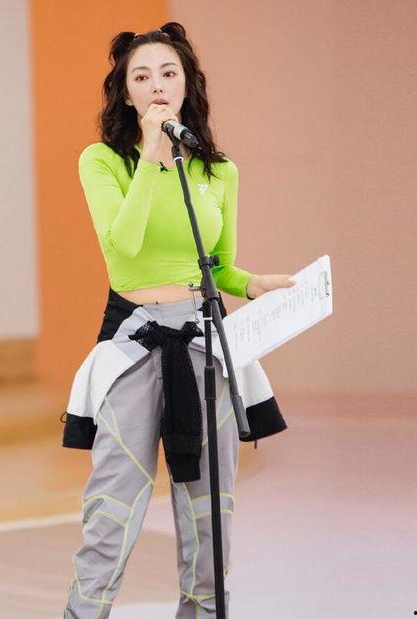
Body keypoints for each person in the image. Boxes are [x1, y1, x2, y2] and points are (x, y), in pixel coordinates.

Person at [61, 22, 294, 618]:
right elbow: (124, 246)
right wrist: (151, 155)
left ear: (188, 85)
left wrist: (252, 283)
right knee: (112, 507)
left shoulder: (219, 171)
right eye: (142, 77)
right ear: (126, 93)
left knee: (210, 510)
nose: (157, 85)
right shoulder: (102, 161)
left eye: (169, 73)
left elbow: (218, 265)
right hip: (134, 341)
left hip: (202, 340)